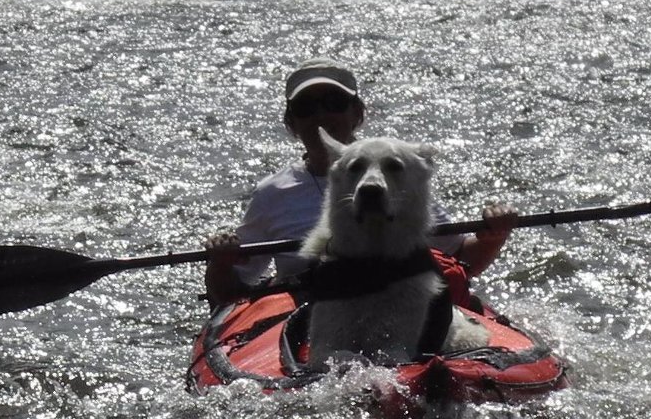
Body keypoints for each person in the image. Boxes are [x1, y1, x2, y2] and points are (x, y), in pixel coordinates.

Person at [204, 58, 517, 307]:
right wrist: (220, 262)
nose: (321, 115)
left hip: (402, 300)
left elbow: (462, 257)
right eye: (306, 108)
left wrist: (493, 236)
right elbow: (230, 291)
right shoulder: (272, 194)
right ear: (292, 123)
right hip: (312, 311)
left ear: (358, 113)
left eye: (333, 102)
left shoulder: (399, 173)